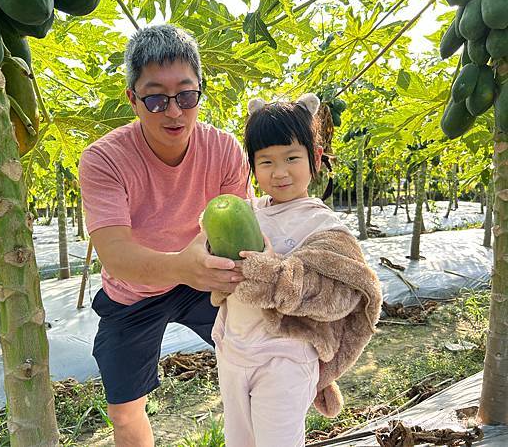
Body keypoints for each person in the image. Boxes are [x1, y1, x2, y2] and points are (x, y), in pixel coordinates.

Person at [78, 25, 252, 446]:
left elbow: (243, 231)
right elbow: (116, 255)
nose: (173, 111)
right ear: (133, 100)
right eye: (155, 98)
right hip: (134, 292)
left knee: (260, 362)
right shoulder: (103, 159)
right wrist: (180, 266)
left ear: (200, 94)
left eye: (186, 96)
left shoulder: (226, 149)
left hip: (205, 276)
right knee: (123, 411)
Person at [210, 94, 383, 447]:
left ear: (314, 158)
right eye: (266, 161)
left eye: (291, 157)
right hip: (234, 351)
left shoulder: (324, 226)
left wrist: (275, 275)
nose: (280, 171)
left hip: (286, 359)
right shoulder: (248, 210)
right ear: (253, 167)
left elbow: (342, 293)